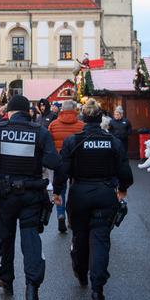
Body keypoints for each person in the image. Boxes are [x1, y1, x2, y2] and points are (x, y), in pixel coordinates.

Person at [0, 94, 61, 300]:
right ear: (28, 112)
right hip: (32, 194)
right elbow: (53, 162)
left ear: (10, 112)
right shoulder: (39, 132)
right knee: (31, 240)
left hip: (5, 195)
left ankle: (6, 280)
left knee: (6, 237)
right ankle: (32, 291)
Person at [52, 98, 133, 300]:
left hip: (79, 194)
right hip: (105, 194)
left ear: (83, 118)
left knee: (80, 237)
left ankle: (81, 273)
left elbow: (63, 170)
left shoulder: (73, 141)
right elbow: (125, 170)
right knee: (101, 240)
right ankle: (98, 289)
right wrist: (122, 188)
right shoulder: (112, 141)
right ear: (100, 118)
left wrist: (58, 191)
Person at [47, 100, 84, 233]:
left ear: (62, 109)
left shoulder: (53, 124)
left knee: (60, 189)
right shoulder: (82, 125)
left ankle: (60, 214)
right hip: (77, 163)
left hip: (59, 162)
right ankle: (71, 219)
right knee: (74, 191)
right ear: (75, 109)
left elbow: (49, 144)